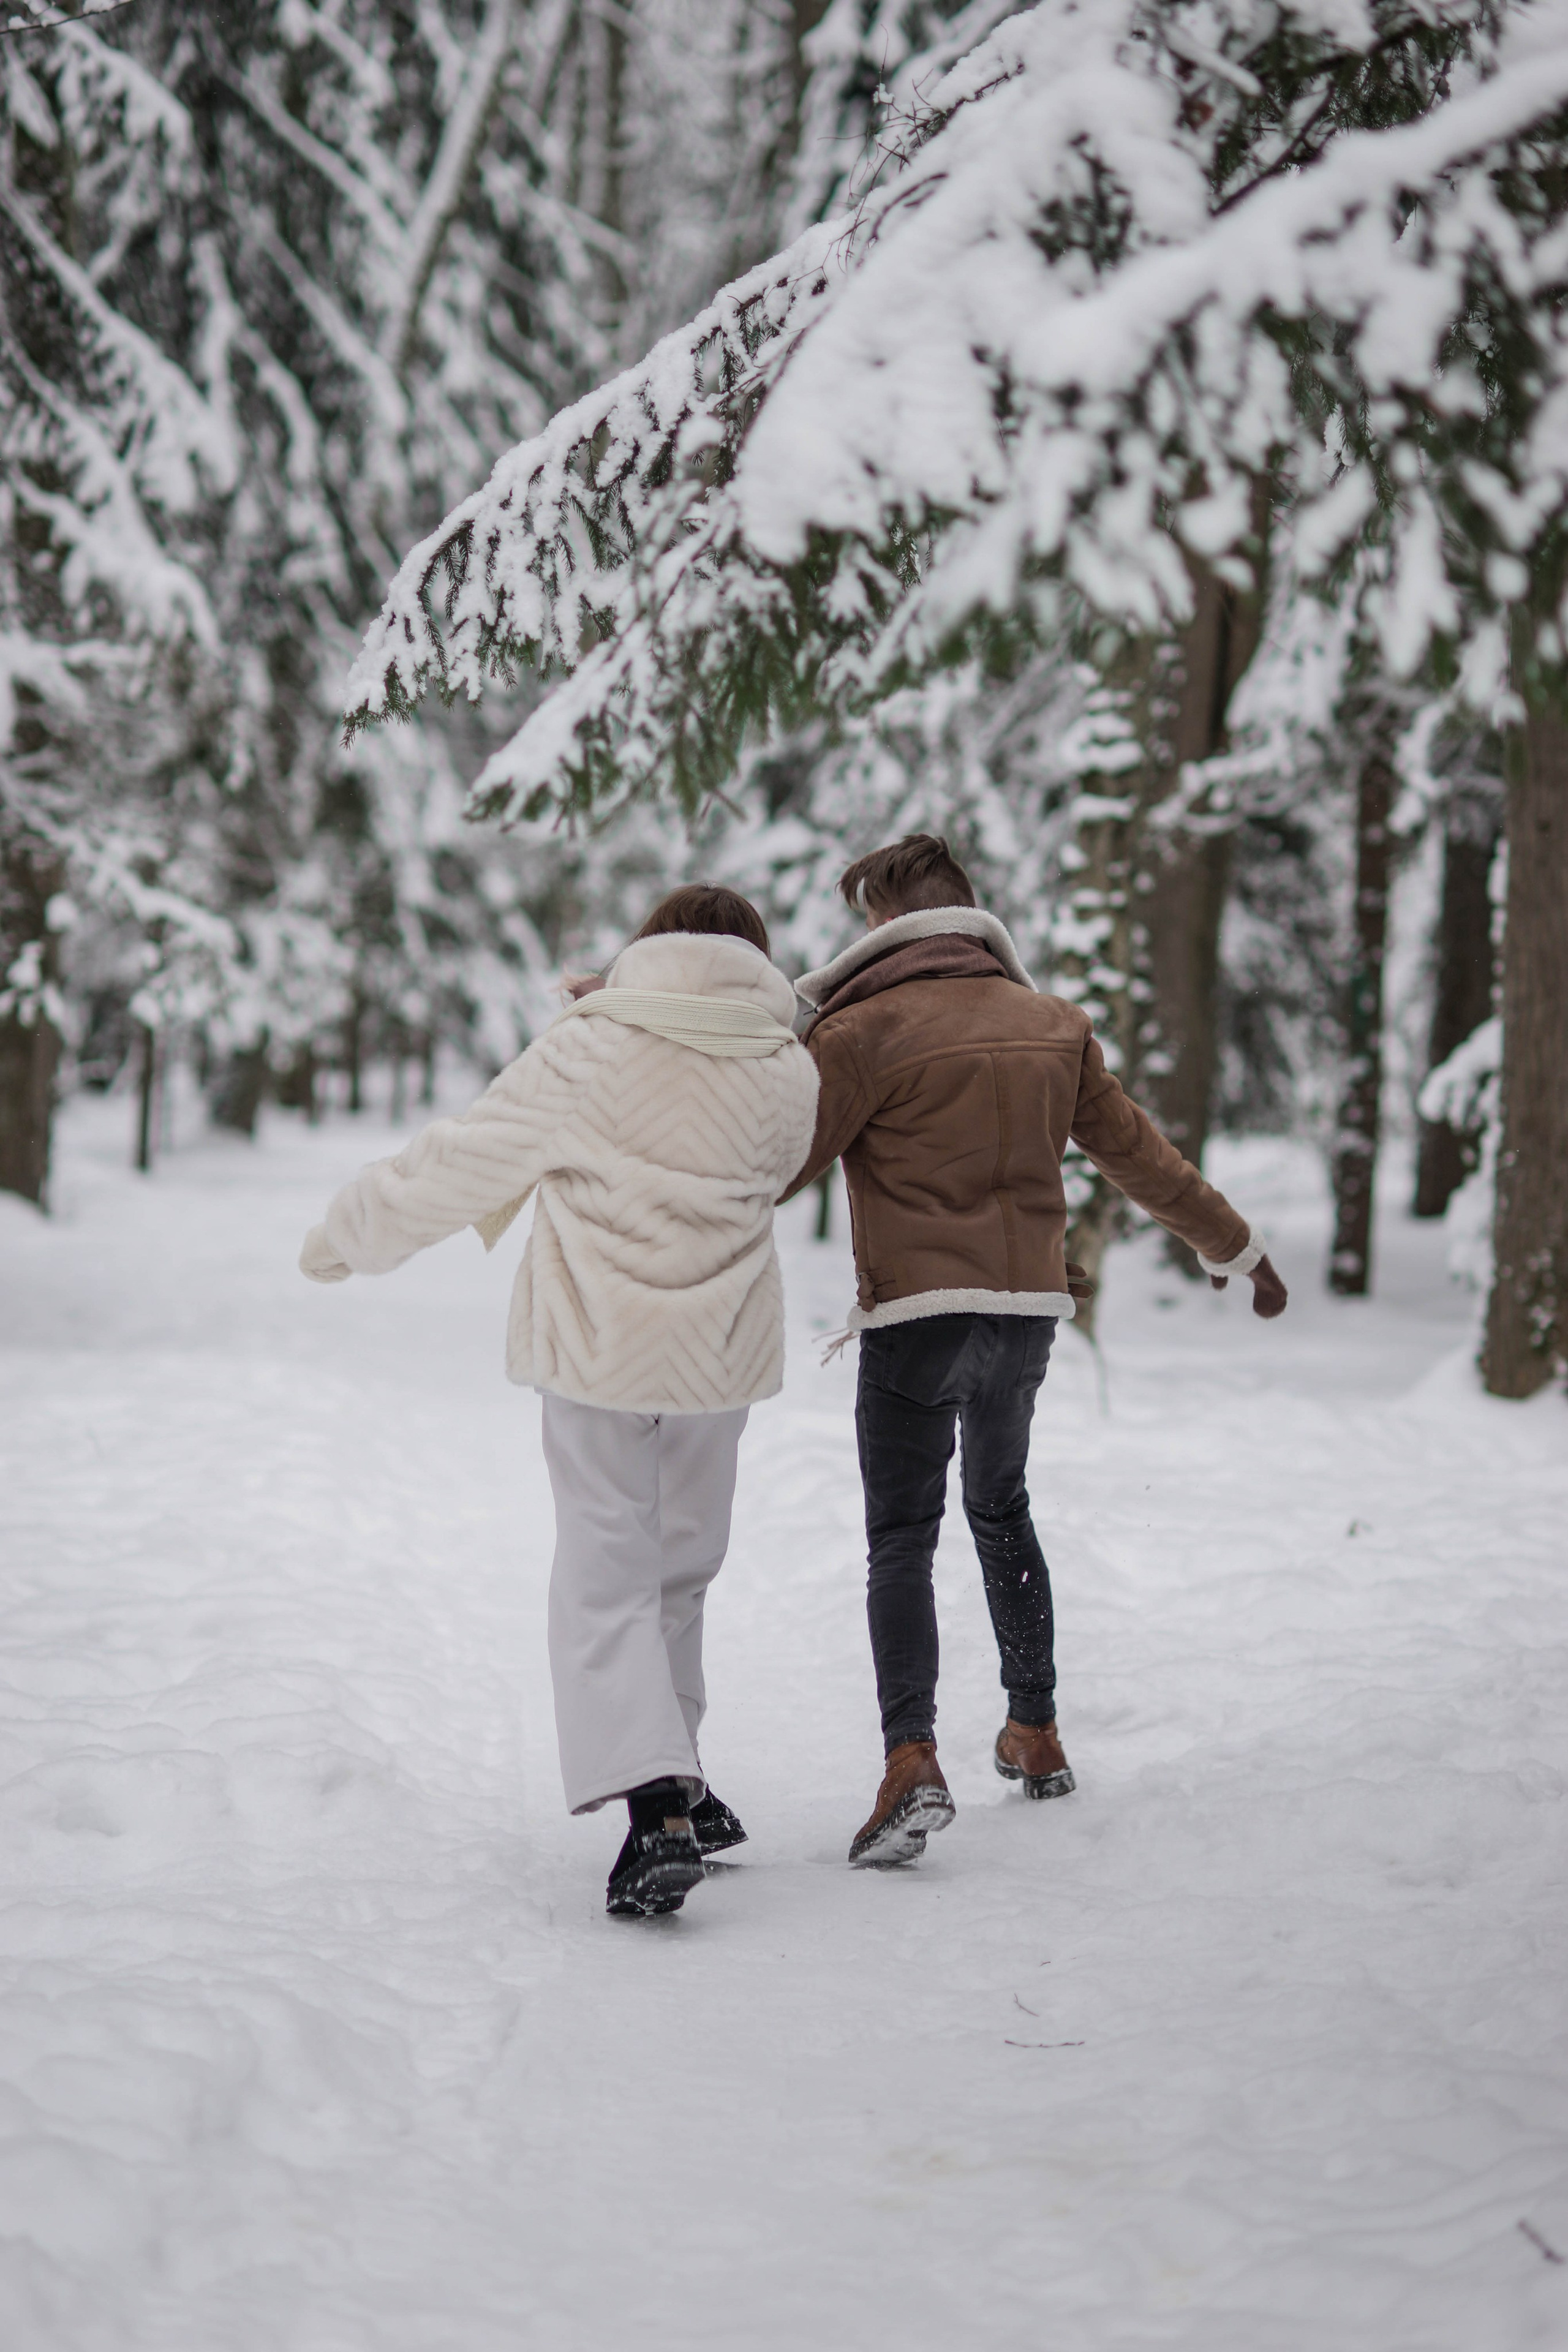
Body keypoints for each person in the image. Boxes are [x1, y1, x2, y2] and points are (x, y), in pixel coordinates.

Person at [299, 886, 818, 1918]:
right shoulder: (790, 1067)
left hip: (599, 1349)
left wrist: (347, 1236)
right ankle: (681, 1780)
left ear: (647, 948)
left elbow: (463, 1159)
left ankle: (658, 1803)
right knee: (678, 1574)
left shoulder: (591, 1047)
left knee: (604, 1574)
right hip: (719, 1357)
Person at [783, 834, 1288, 1869]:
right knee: (1000, 1507)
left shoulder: (862, 1029)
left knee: (901, 1538)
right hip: (1025, 1315)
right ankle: (1036, 1728)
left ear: (886, 924)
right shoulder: (1053, 1025)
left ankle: (911, 1761)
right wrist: (1235, 1247)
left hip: (918, 1316)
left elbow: (779, 1165)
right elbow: (1141, 1157)